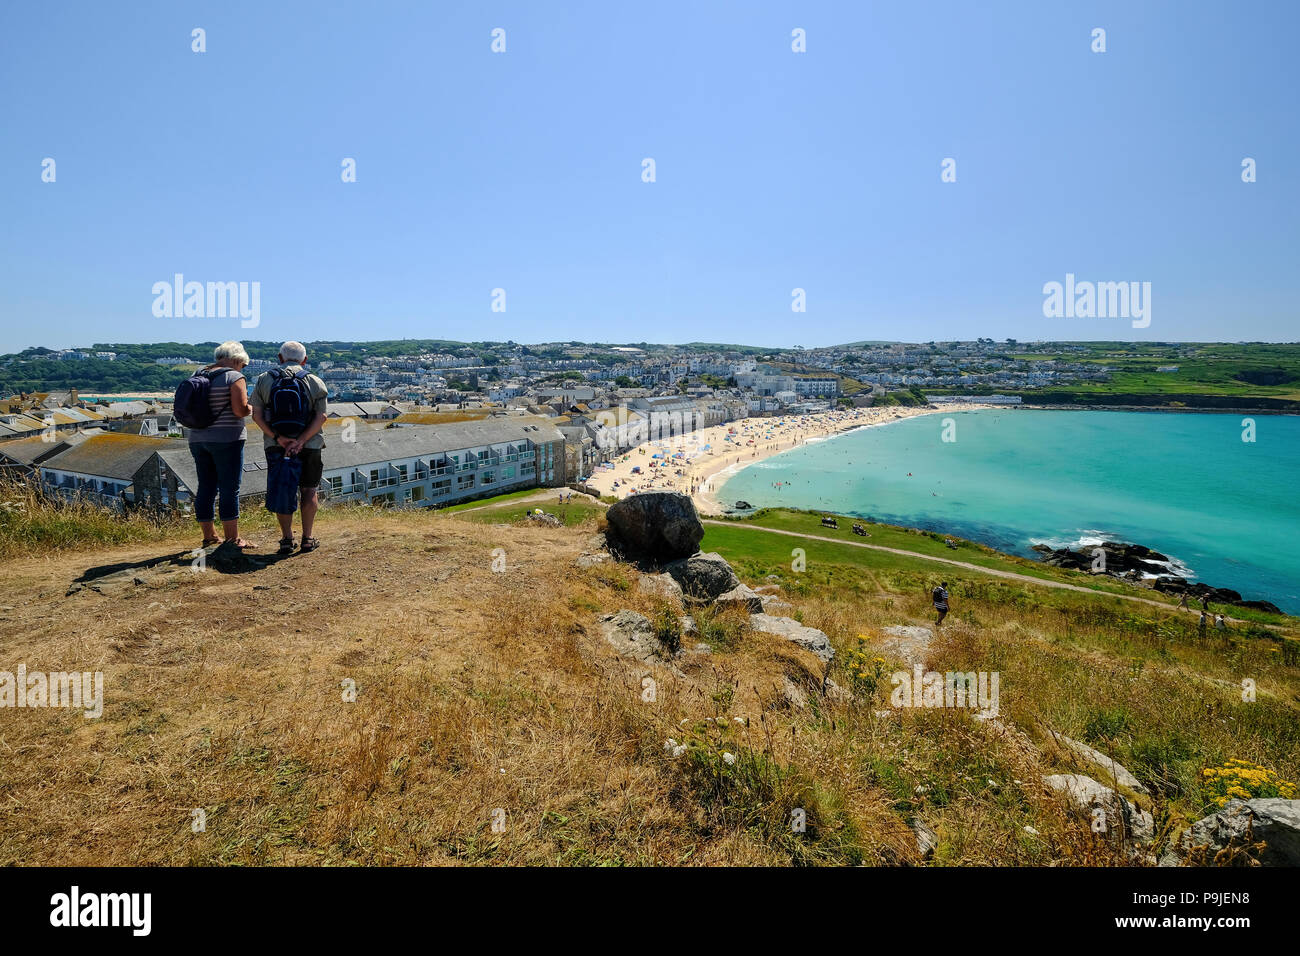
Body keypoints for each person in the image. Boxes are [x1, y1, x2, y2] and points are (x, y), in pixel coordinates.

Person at [251, 341, 329, 555]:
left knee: (282, 488)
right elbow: (321, 416)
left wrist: (279, 438)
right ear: (304, 360)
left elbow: (256, 416)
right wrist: (302, 440)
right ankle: (307, 538)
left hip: (276, 445)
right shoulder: (314, 381)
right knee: (309, 489)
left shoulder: (264, 380)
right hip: (310, 444)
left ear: (280, 357)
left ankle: (286, 539)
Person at [187, 341, 253, 548]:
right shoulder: (234, 377)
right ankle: (233, 539)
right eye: (242, 364)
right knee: (229, 488)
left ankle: (210, 536)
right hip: (227, 439)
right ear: (236, 360)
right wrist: (251, 407)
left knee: (206, 487)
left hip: (197, 438)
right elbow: (239, 411)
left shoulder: (197, 374)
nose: (242, 368)